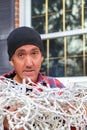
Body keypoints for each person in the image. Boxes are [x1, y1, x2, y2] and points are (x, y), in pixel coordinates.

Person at [2, 26, 65, 130]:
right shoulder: (2, 89)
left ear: (42, 57)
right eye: (21, 55)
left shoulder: (55, 87)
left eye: (34, 53)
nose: (29, 63)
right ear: (11, 61)